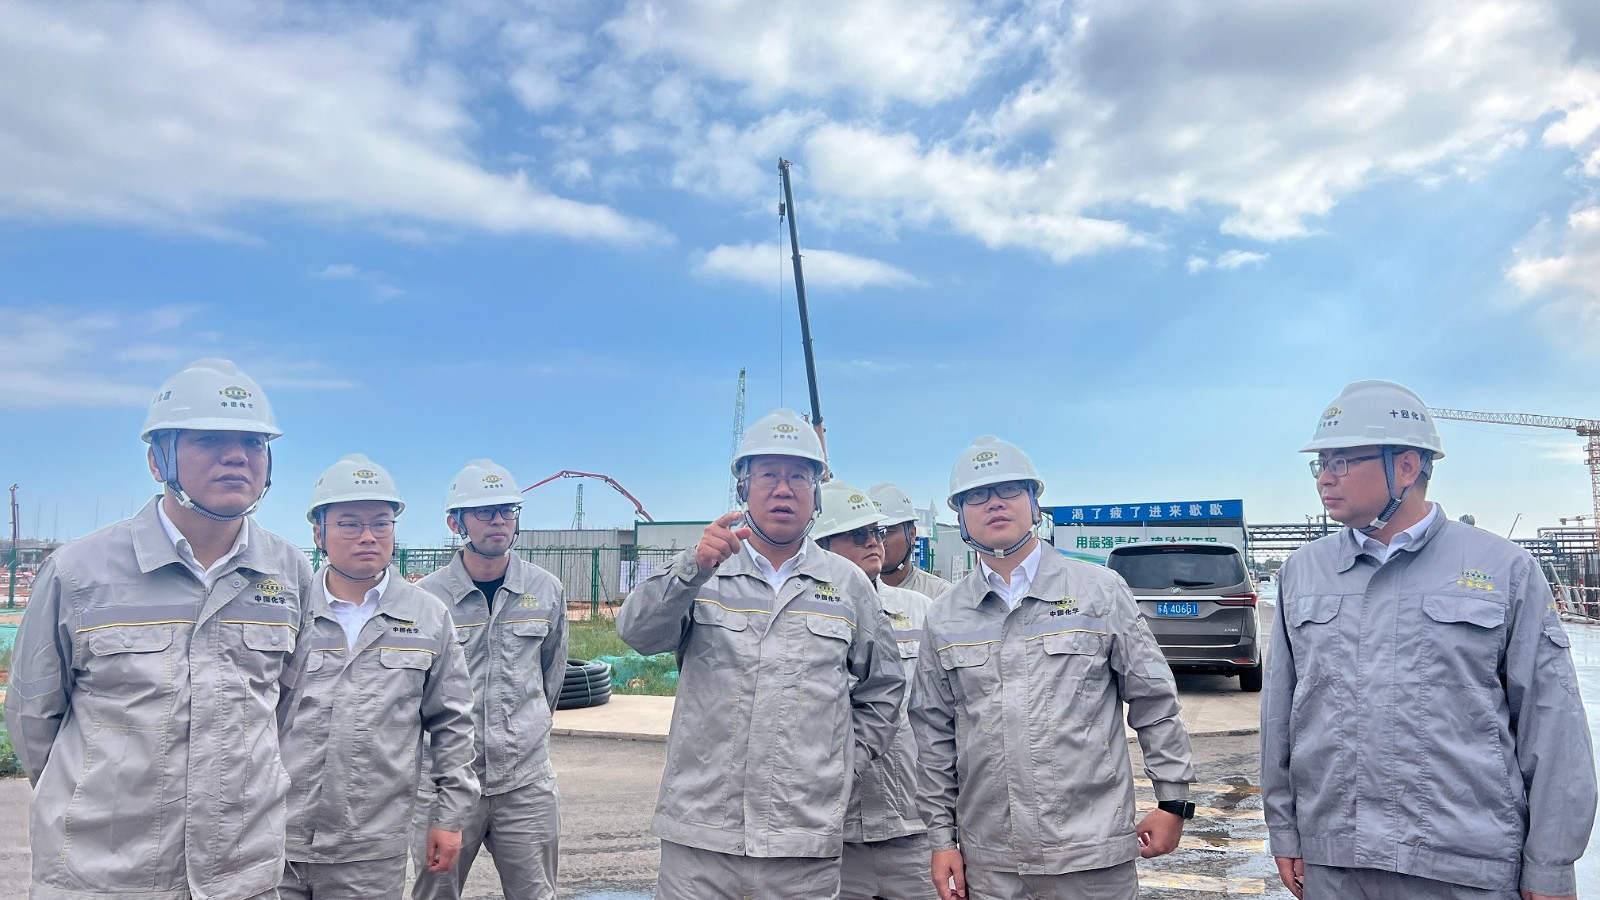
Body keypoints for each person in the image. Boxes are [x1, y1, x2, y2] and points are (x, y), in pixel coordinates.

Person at [1261, 381, 1596, 900]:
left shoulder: (1503, 570)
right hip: (1337, 865)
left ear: (1407, 466)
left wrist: (1550, 865)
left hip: (1466, 868)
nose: (1325, 477)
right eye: (1320, 464)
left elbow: (1552, 723)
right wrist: (1284, 831)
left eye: (1342, 461)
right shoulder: (1303, 574)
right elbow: (1280, 717)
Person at [4, 359, 313, 899]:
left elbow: (285, 710)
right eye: (209, 439)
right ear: (156, 459)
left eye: (254, 442)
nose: (237, 455)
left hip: (239, 876)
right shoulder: (78, 572)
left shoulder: (289, 573)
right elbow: (35, 719)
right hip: (103, 876)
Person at [616, 408, 905, 899]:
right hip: (700, 837)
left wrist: (842, 762)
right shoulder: (704, 571)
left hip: (802, 842)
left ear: (816, 495)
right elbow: (637, 632)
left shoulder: (848, 585)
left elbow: (884, 688)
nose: (783, 490)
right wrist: (691, 567)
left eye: (798, 477)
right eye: (769, 475)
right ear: (743, 487)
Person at [913, 435, 1195, 900]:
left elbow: (1154, 701)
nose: (994, 503)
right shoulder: (945, 615)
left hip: (1092, 854)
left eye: (1009, 489)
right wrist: (942, 839)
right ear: (959, 516)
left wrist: (1173, 800)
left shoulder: (1099, 592)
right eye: (976, 495)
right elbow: (933, 735)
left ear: (1035, 502)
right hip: (993, 863)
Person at [279, 454, 477, 899]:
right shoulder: (289, 611)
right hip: (276, 839)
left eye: (381, 524)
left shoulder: (428, 617)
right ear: (318, 533)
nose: (368, 536)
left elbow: (454, 724)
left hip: (369, 850)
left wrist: (449, 817)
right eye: (350, 524)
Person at [412, 459, 568, 900]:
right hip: (446, 787)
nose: (498, 521)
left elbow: (550, 679)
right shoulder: (426, 600)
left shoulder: (545, 590)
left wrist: (523, 732)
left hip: (525, 785)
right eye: (484, 511)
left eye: (507, 510)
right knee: (434, 894)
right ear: (455, 522)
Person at [812, 480, 938, 900]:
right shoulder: (802, 616)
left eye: (877, 532)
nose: (874, 542)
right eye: (857, 534)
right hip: (834, 836)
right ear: (822, 545)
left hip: (915, 831)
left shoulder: (920, 611)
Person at [869, 482, 951, 600]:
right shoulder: (852, 593)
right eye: (870, 532)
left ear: (912, 535)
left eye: (885, 531)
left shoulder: (939, 594)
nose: (875, 541)